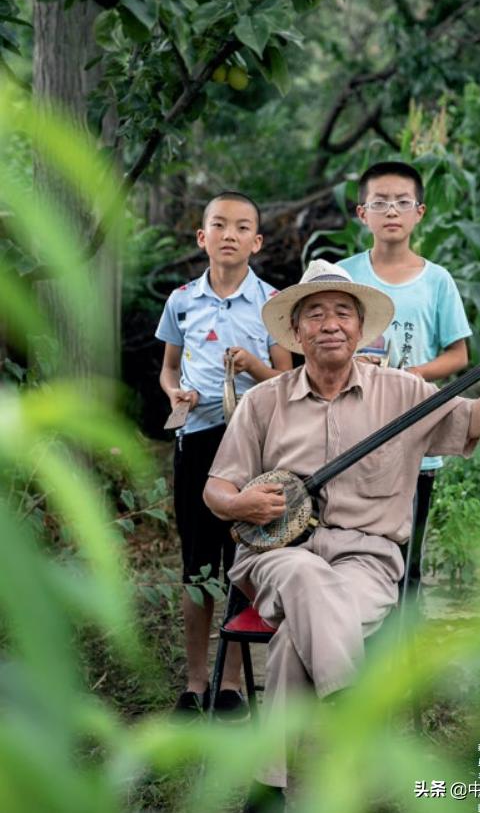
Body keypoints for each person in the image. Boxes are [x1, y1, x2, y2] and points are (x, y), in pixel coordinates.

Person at [203, 259, 480, 811]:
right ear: (297, 331)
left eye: (342, 312)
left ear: (360, 328)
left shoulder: (404, 392)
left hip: (366, 562)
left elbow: (476, 420)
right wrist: (239, 502)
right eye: (315, 314)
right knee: (304, 573)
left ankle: (271, 787)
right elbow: (216, 487)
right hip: (275, 557)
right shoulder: (264, 402)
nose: (330, 323)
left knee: (293, 641)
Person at [155, 191, 292, 716]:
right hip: (198, 439)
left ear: (256, 242)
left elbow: (287, 379)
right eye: (219, 225)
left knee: (244, 560)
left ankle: (231, 684)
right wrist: (175, 394)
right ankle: (194, 684)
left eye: (241, 227)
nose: (229, 234)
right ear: (202, 237)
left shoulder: (272, 304)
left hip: (253, 448)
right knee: (197, 564)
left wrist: (255, 366)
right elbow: (170, 369)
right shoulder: (182, 299)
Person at [338, 160, 472, 560]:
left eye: (402, 201)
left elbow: (458, 356)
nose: (392, 211)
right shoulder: (344, 276)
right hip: (353, 430)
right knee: (352, 546)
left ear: (420, 212)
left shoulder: (437, 281)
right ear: (362, 214)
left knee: (408, 554)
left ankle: (408, 621)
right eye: (380, 203)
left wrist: (412, 374)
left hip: (416, 430)